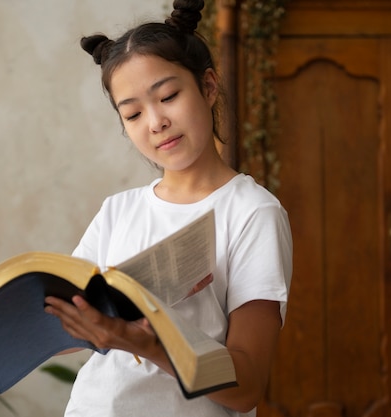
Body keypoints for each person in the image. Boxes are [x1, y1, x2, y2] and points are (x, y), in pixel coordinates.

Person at [44, 0, 292, 415]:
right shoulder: (117, 211)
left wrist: (151, 343)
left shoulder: (252, 212)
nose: (155, 122)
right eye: (134, 113)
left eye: (169, 96)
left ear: (208, 86)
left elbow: (247, 384)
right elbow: (67, 335)